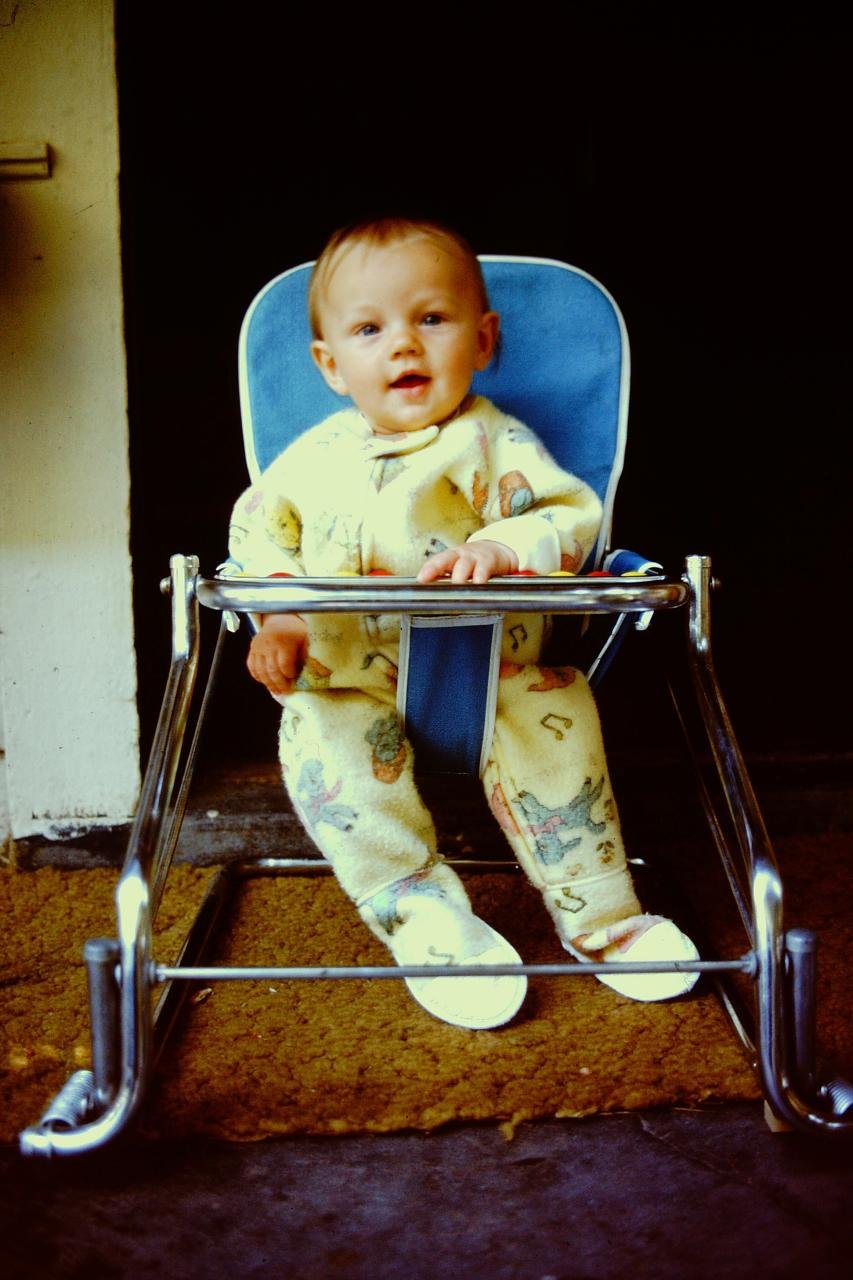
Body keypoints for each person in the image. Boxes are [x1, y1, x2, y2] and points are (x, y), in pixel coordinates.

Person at [226, 216, 699, 1029]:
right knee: (325, 757)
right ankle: (425, 919)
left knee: (556, 743)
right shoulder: (306, 463)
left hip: (497, 672)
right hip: (347, 683)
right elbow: (259, 541)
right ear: (331, 366)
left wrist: (502, 545)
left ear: (483, 340)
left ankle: (603, 916)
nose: (403, 347)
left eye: (431, 319)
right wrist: (280, 619)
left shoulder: (493, 441)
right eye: (370, 330)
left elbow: (568, 516)